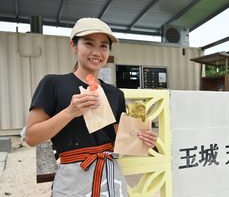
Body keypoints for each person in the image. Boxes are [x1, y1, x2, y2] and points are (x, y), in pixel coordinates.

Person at [25, 17, 158, 197]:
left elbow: (123, 143)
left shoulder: (115, 94)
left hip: (111, 176)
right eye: (89, 44)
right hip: (72, 179)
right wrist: (70, 112)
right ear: (73, 45)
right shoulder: (53, 83)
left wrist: (143, 139)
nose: (97, 52)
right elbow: (31, 137)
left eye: (103, 46)